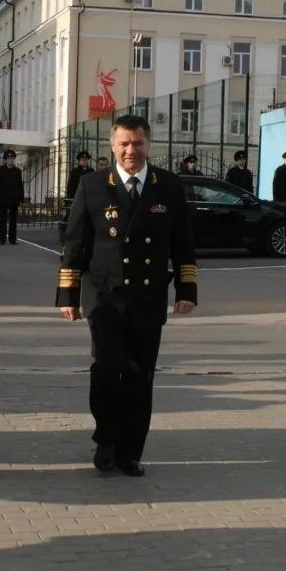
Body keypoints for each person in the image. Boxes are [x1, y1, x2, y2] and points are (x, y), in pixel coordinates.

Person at [57, 113, 197, 477]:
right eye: (123, 143)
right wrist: (67, 295)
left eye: (137, 143)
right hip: (104, 295)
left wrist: (187, 289)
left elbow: (183, 241)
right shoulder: (92, 185)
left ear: (148, 144)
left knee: (140, 374)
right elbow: (75, 242)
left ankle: (130, 451)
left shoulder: (167, 185)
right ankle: (106, 438)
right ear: (112, 145)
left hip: (148, 297)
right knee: (106, 369)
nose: (130, 150)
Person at [0, 148, 24, 245]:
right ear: (5, 160)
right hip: (3, 199)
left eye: (12, 158)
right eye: (9, 158)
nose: (11, 160)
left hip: (14, 199)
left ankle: (12, 239)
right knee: (2, 219)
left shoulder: (18, 172)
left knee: (13, 220)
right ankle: (2, 239)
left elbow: (20, 186)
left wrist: (21, 198)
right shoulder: (0, 171)